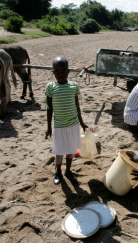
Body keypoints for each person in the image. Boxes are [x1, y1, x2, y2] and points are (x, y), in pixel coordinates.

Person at [45, 57, 88, 185]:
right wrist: (48, 127)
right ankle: (58, 171)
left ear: (68, 71)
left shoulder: (74, 86)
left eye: (64, 70)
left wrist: (82, 122)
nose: (61, 73)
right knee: (59, 152)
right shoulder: (51, 87)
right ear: (53, 72)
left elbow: (77, 106)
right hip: (59, 126)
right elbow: (49, 109)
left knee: (71, 151)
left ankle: (68, 171)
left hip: (73, 125)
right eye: (57, 71)